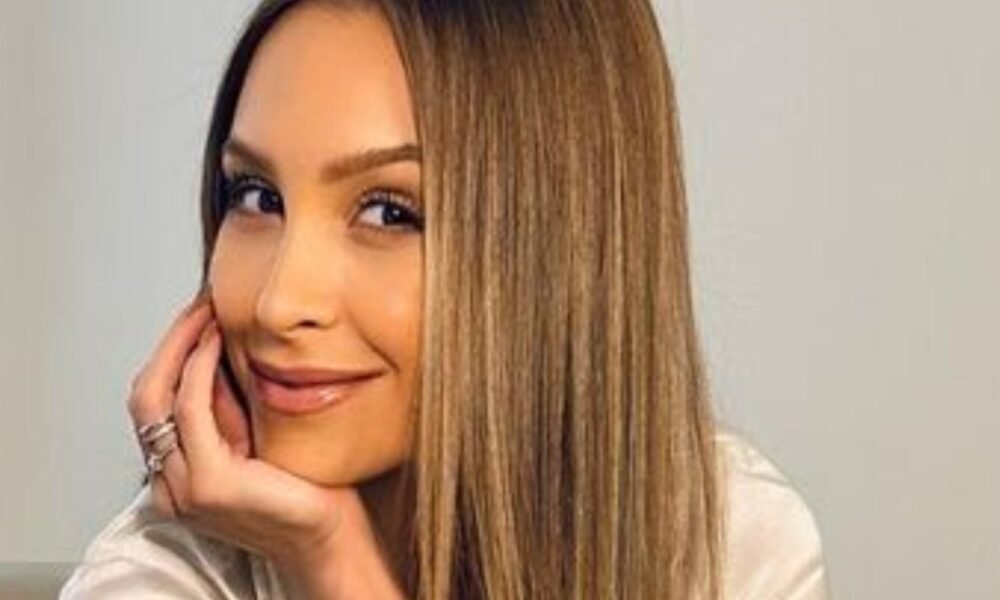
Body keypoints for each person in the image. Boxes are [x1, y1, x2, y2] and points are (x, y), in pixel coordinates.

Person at [60, 0, 831, 598]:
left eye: (388, 213)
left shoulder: (730, 543)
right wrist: (323, 551)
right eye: (256, 196)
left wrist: (340, 573)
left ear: (559, 246)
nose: (276, 302)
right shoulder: (158, 578)